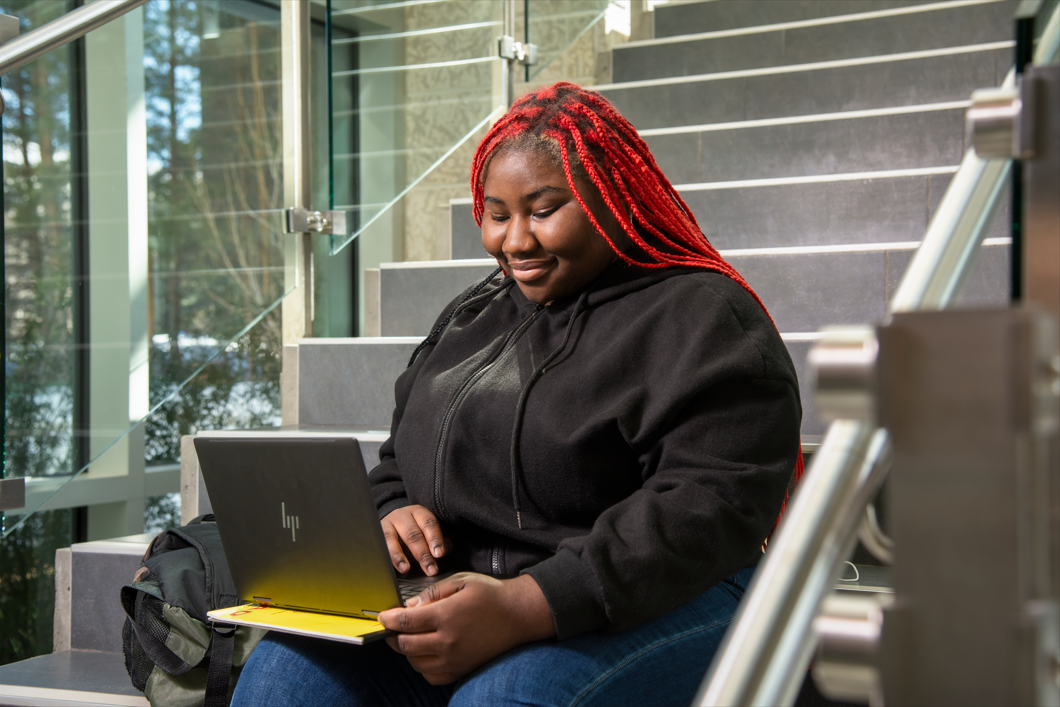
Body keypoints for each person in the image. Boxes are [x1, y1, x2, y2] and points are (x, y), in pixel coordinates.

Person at [231, 81, 802, 707]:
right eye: (497, 215)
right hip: (468, 592)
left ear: (613, 196)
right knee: (283, 679)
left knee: (507, 698)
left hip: (663, 592)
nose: (516, 242)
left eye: (544, 208)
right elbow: (401, 453)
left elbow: (710, 506)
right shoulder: (475, 313)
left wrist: (525, 606)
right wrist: (393, 507)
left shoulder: (704, 316)